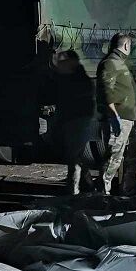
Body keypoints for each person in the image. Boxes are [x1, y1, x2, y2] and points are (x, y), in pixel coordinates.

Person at [97, 32, 136, 196]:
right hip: (120, 119)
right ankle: (103, 194)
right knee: (113, 158)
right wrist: (114, 115)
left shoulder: (120, 63)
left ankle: (127, 193)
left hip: (130, 119)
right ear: (126, 46)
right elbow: (106, 90)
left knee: (132, 158)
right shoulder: (111, 63)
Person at [52, 50, 97, 195]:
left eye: (63, 61)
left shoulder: (77, 79)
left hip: (77, 121)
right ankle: (88, 185)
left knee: (73, 156)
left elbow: (75, 101)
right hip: (72, 120)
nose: (59, 64)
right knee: (75, 156)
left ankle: (74, 190)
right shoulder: (72, 78)